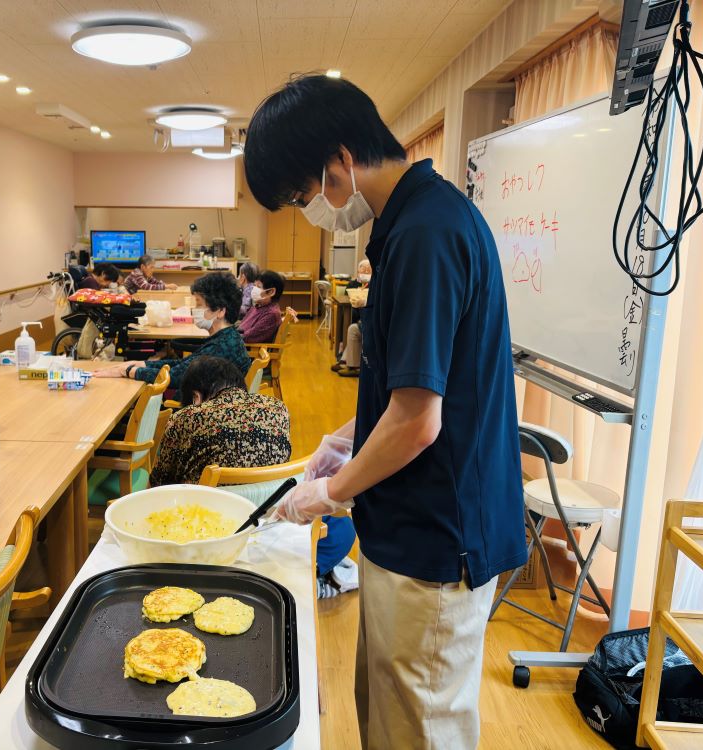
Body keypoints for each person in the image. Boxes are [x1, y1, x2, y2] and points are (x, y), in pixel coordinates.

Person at [244, 74, 525, 750]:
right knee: (387, 713)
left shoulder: (426, 232)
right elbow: (409, 394)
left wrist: (328, 494)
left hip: (437, 534)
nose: (311, 208)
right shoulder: (411, 222)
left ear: (339, 161)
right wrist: (345, 440)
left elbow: (420, 422)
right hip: (409, 522)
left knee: (419, 727)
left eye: (302, 194)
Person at [95, 272, 249, 390]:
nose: (194, 310)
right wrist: (142, 364)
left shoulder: (220, 348)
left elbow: (174, 376)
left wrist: (127, 371)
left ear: (220, 311)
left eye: (199, 304)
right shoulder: (226, 338)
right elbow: (184, 364)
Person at [150, 356, 290, 486]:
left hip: (206, 509)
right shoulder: (278, 408)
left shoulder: (188, 417)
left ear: (195, 397)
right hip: (268, 506)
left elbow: (161, 481)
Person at [332, 258, 372, 377]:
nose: (365, 270)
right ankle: (343, 355)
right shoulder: (352, 284)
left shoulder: (374, 284)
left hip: (366, 315)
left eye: (368, 269)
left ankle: (345, 360)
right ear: (358, 270)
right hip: (354, 312)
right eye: (362, 268)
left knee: (355, 327)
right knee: (346, 317)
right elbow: (346, 300)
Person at [238, 269, 284, 344]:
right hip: (238, 343)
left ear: (271, 292)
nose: (254, 289)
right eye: (254, 286)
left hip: (245, 351)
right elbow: (243, 326)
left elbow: (247, 337)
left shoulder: (271, 314)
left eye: (258, 286)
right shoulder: (260, 306)